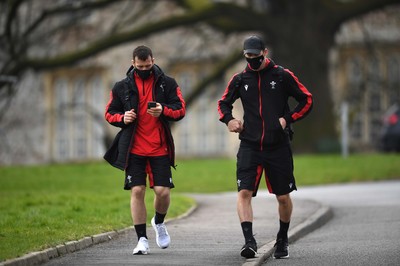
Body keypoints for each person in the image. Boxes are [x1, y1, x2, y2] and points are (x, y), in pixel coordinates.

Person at [217, 35, 313, 259]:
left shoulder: (282, 75)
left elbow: (306, 100)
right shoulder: (240, 79)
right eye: (248, 56)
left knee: (283, 197)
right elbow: (223, 103)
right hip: (250, 144)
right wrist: (229, 120)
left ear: (265, 52)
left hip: (277, 145)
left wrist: (287, 118)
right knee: (244, 192)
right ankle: (249, 241)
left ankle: (282, 238)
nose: (252, 60)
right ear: (244, 55)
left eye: (256, 55)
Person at [104, 45, 186, 255]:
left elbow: (180, 109)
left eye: (148, 65)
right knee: (137, 190)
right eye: (140, 66)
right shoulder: (121, 87)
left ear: (153, 61)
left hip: (159, 148)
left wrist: (163, 110)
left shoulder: (168, 83)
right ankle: (142, 239)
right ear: (133, 64)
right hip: (134, 148)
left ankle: (158, 222)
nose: (144, 69)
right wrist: (122, 118)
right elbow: (110, 113)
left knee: (163, 192)